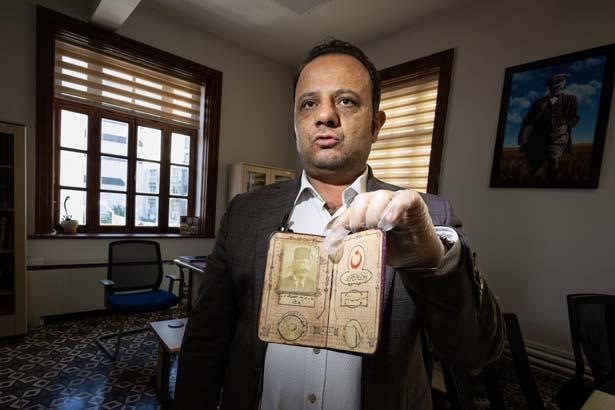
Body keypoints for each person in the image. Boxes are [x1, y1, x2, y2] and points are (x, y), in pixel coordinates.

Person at [175, 38, 504, 410]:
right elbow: (206, 340)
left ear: (376, 125)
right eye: (309, 103)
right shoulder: (244, 213)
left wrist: (432, 260)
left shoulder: (426, 217)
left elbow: (476, 352)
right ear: (295, 124)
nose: (325, 116)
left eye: (346, 100)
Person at [517, 74, 580, 179]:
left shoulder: (571, 99)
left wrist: (566, 126)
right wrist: (521, 137)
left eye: (560, 87)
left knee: (553, 161)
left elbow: (575, 117)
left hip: (558, 136)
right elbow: (527, 120)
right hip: (538, 137)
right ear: (549, 87)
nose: (557, 89)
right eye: (554, 87)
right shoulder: (538, 103)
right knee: (536, 168)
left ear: (563, 86)